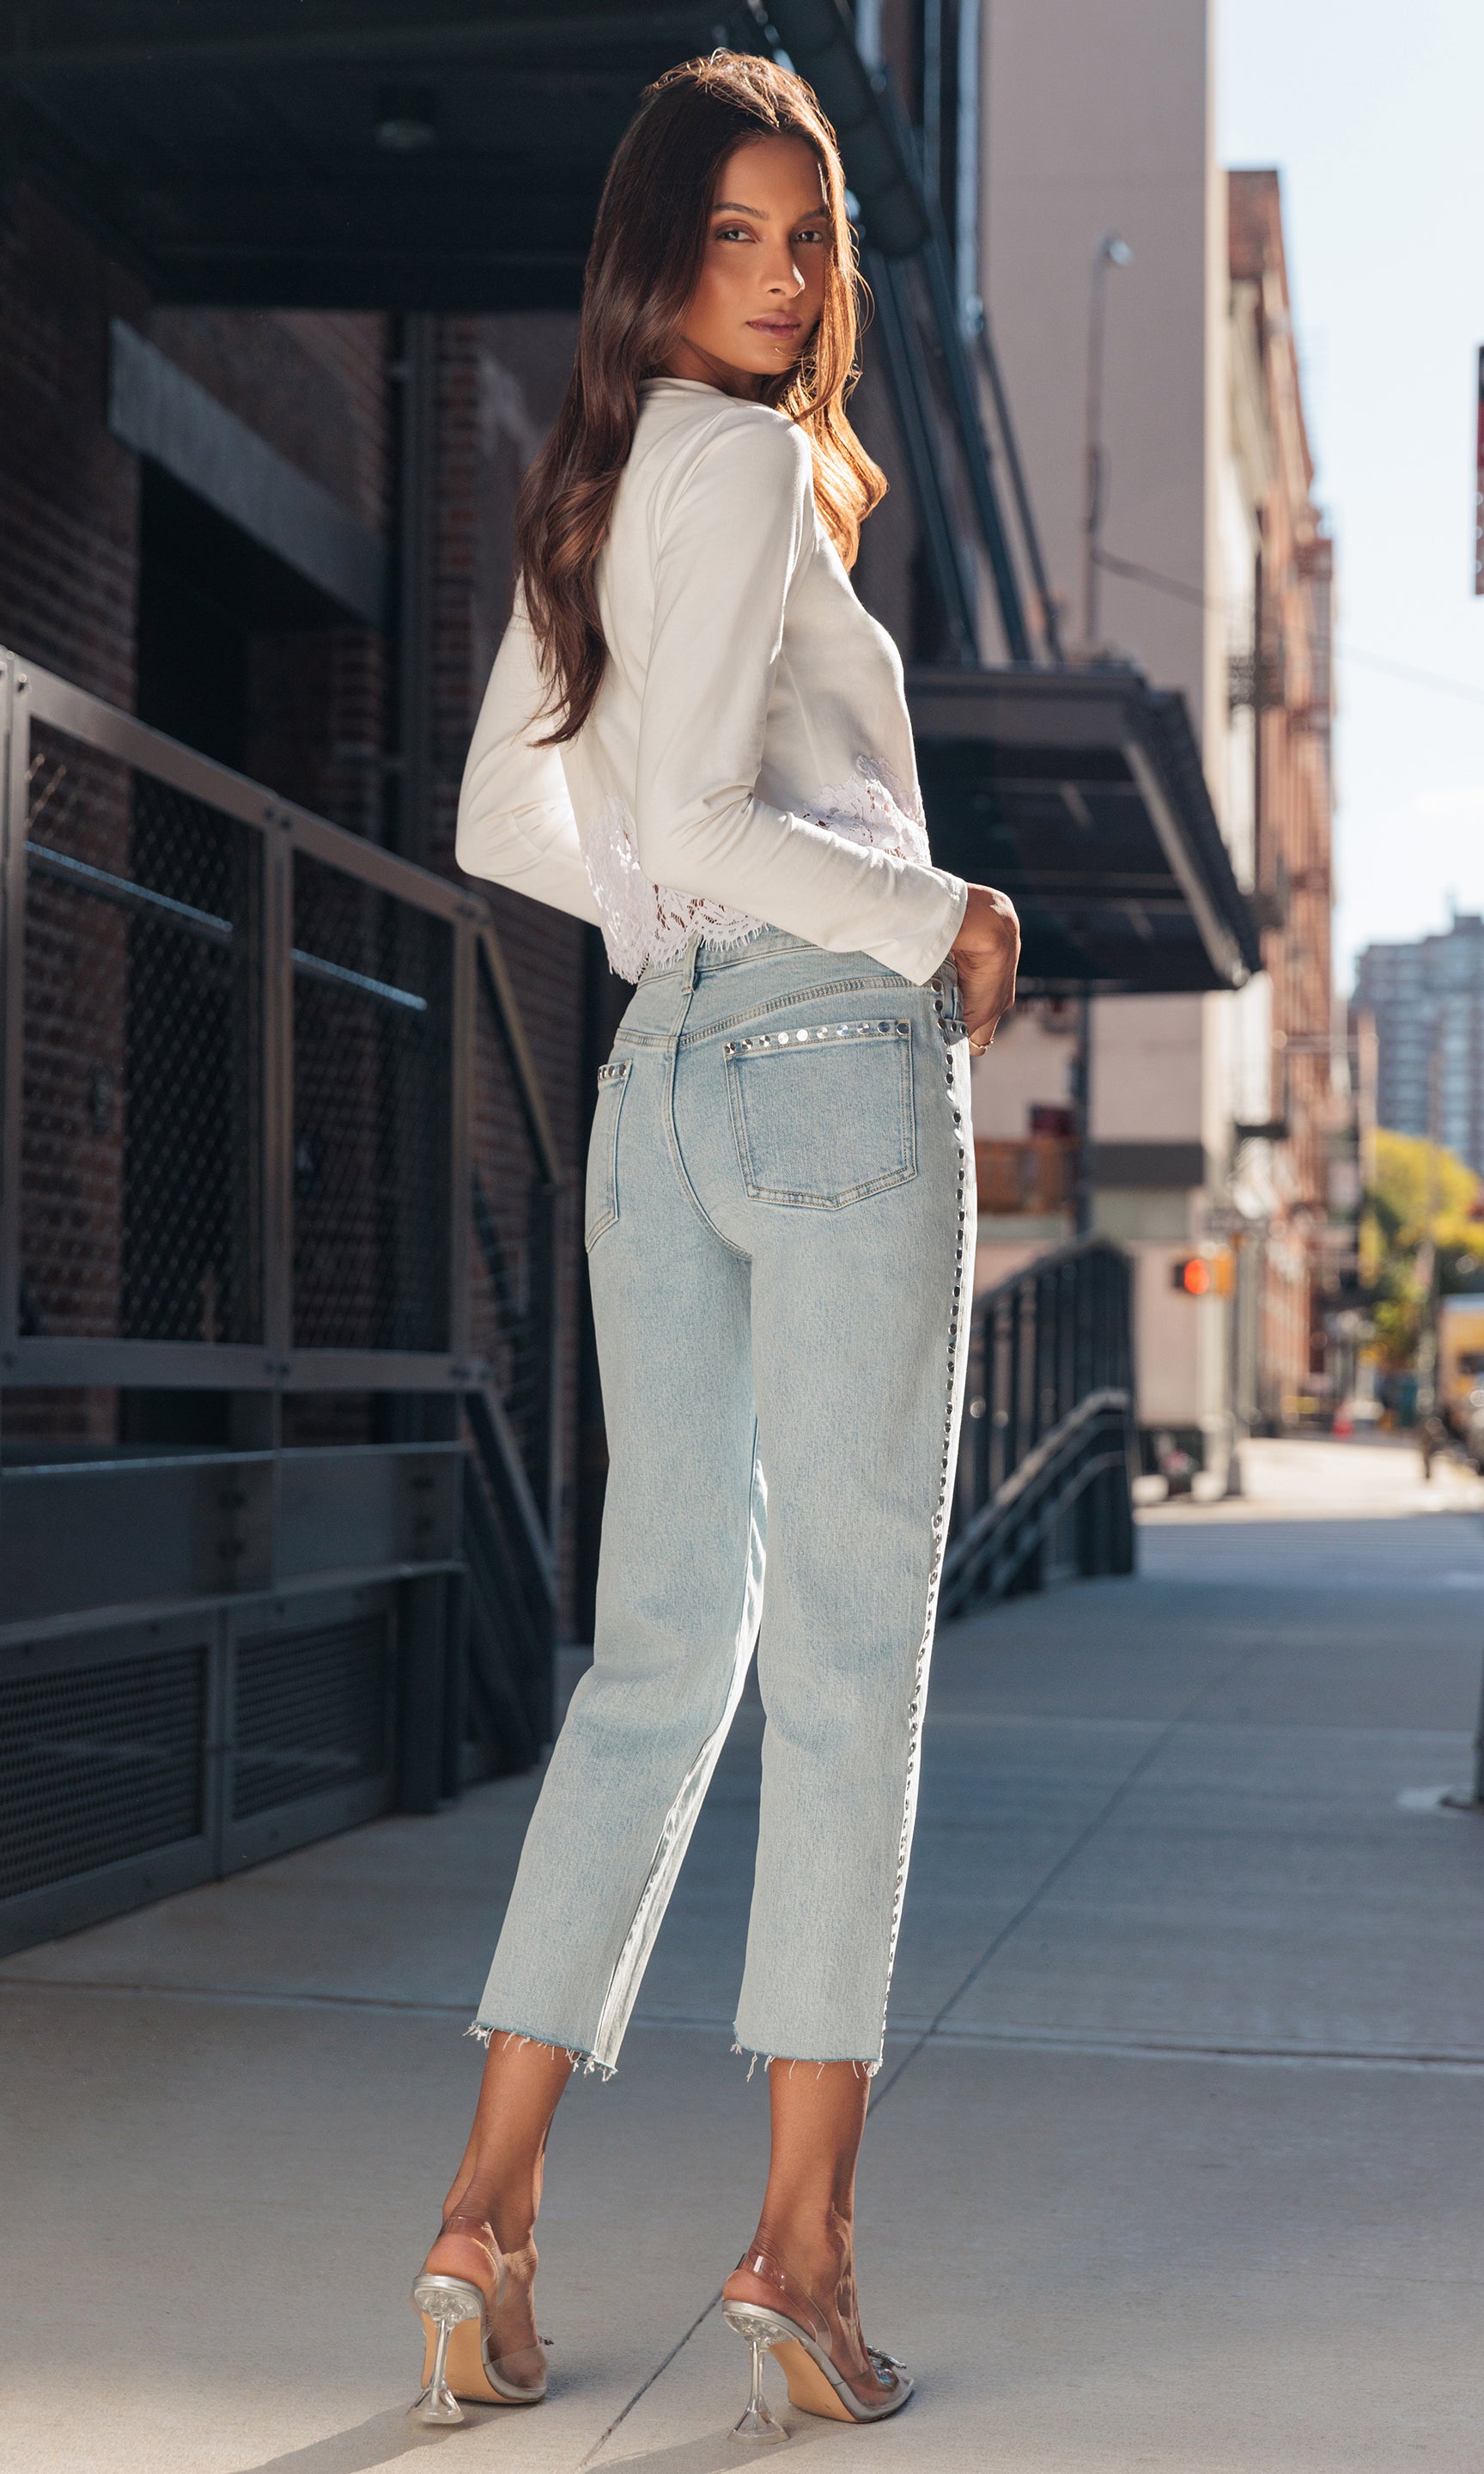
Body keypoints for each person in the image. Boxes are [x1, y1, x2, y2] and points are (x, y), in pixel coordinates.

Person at [411, 48, 1019, 2440]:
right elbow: (686, 801)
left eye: (808, 241)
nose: (780, 281)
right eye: (737, 237)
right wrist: (928, 911)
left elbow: (512, 812)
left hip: (656, 1087)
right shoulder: (749, 464)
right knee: (852, 1659)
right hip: (831, 1067)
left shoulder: (599, 479)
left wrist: (683, 914)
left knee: (658, 1662)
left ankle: (487, 2208)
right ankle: (805, 2251)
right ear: (659, 257)